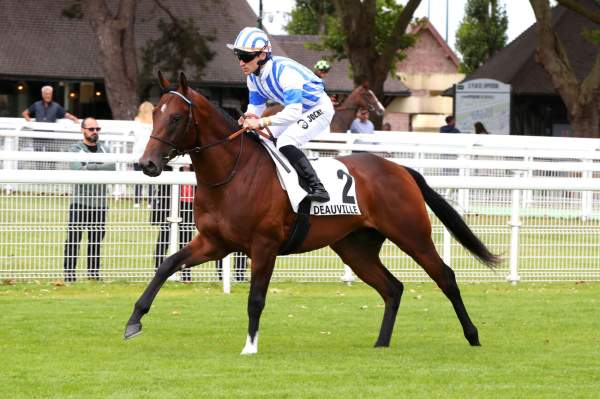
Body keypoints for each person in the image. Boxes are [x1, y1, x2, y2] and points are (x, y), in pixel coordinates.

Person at [228, 27, 332, 203]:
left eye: (245, 57)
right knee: (263, 138)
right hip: (295, 109)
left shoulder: (285, 72)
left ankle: (317, 187)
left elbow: (293, 112)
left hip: (317, 109)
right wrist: (249, 117)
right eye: (238, 56)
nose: (241, 62)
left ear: (262, 55)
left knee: (286, 141)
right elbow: (256, 105)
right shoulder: (252, 77)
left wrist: (260, 122)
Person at [63, 117, 116, 282]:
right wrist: (99, 167)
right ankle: (69, 275)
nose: (95, 132)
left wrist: (89, 166)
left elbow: (112, 167)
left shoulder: (106, 149)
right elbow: (78, 170)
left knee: (96, 241)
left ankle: (93, 275)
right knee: (73, 240)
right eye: (91, 129)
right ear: (83, 130)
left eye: (97, 129)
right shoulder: (75, 149)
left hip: (100, 204)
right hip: (79, 203)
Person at [152, 166, 194, 282]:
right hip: (170, 205)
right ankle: (158, 271)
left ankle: (186, 275)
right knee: (164, 239)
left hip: (189, 206)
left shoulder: (195, 166)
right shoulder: (170, 167)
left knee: (186, 242)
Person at [132, 101, 154, 208]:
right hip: (150, 153)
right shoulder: (154, 122)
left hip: (137, 152)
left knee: (137, 178)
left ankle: (137, 201)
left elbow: (135, 137)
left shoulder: (137, 121)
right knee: (151, 178)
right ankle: (150, 201)